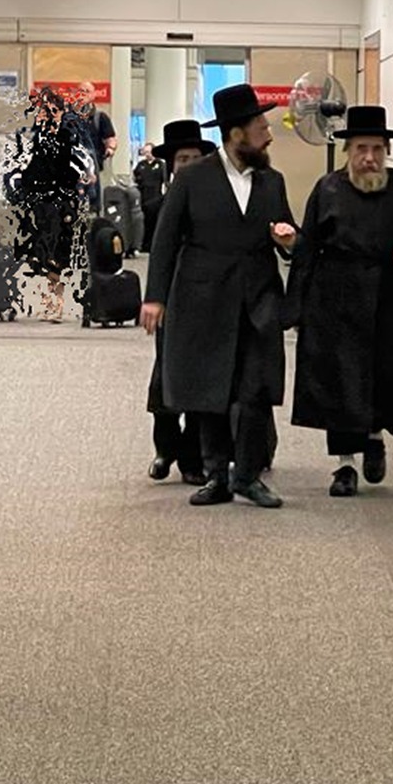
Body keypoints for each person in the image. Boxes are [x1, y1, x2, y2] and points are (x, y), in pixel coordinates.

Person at [139, 84, 298, 509]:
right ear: (236, 133)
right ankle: (216, 476)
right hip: (203, 298)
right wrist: (155, 297)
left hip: (258, 298)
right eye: (261, 126)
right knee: (211, 389)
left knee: (255, 390)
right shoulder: (194, 178)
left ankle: (247, 476)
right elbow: (165, 240)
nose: (268, 134)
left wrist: (288, 241)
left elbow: (288, 232)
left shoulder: (272, 181)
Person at [289, 105, 393, 498]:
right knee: (339, 380)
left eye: (376, 149)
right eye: (361, 149)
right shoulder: (328, 189)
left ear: (386, 151)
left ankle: (374, 437)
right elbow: (307, 248)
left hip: (389, 299)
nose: (369, 157)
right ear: (347, 150)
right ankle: (344, 465)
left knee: (385, 374)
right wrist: (296, 306)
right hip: (335, 298)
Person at [143, 119, 215, 487]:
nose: (188, 165)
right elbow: (155, 253)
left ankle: (192, 457)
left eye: (194, 158)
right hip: (170, 299)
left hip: (204, 299)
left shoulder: (215, 203)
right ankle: (164, 449)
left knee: (201, 379)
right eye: (182, 159)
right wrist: (154, 297)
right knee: (166, 377)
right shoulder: (158, 205)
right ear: (171, 165)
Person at [1, 86, 95, 323]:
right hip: (37, 201)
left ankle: (58, 301)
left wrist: (86, 175)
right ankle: (47, 300)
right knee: (39, 252)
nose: (46, 115)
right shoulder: (34, 136)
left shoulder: (69, 135)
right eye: (43, 110)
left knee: (58, 252)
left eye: (52, 110)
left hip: (62, 201)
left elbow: (83, 159)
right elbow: (21, 163)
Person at [76, 80, 117, 211]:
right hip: (73, 169)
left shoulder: (100, 117)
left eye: (87, 91)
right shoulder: (68, 117)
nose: (83, 94)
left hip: (94, 168)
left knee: (94, 200)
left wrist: (110, 148)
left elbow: (110, 138)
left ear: (94, 95)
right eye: (80, 91)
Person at [133, 142, 168, 252]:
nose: (147, 154)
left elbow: (166, 181)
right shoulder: (141, 165)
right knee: (144, 223)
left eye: (149, 152)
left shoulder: (160, 164)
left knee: (155, 222)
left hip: (155, 197)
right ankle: (143, 245)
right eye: (146, 152)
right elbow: (135, 178)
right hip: (143, 198)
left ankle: (153, 244)